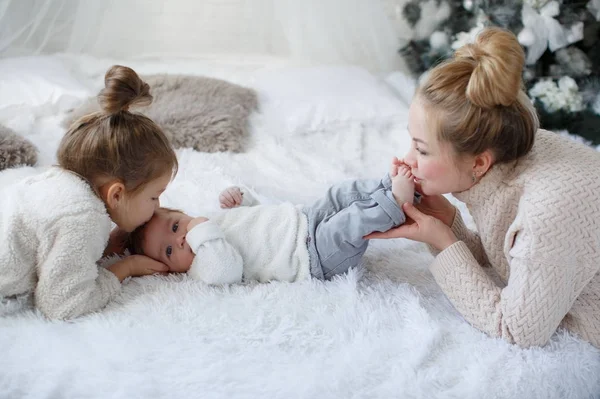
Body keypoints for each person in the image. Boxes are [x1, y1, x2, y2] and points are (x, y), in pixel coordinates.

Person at [367, 27, 600, 348]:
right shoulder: (515, 153)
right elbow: (507, 256)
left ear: (479, 163)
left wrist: (445, 243)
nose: (407, 160)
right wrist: (447, 222)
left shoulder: (546, 210)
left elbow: (519, 331)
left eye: (421, 149)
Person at [0, 65, 177, 319]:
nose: (158, 206)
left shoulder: (54, 180)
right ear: (116, 195)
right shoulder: (83, 218)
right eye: (153, 196)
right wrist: (125, 268)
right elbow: (63, 305)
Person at [126, 163, 419, 284]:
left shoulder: (211, 224)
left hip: (304, 219)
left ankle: (386, 184)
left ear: (183, 214)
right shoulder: (204, 266)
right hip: (314, 257)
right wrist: (200, 228)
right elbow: (227, 269)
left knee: (339, 193)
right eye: (168, 251)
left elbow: (258, 219)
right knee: (348, 225)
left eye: (176, 226)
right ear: (167, 269)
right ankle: (393, 203)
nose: (179, 239)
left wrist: (241, 201)